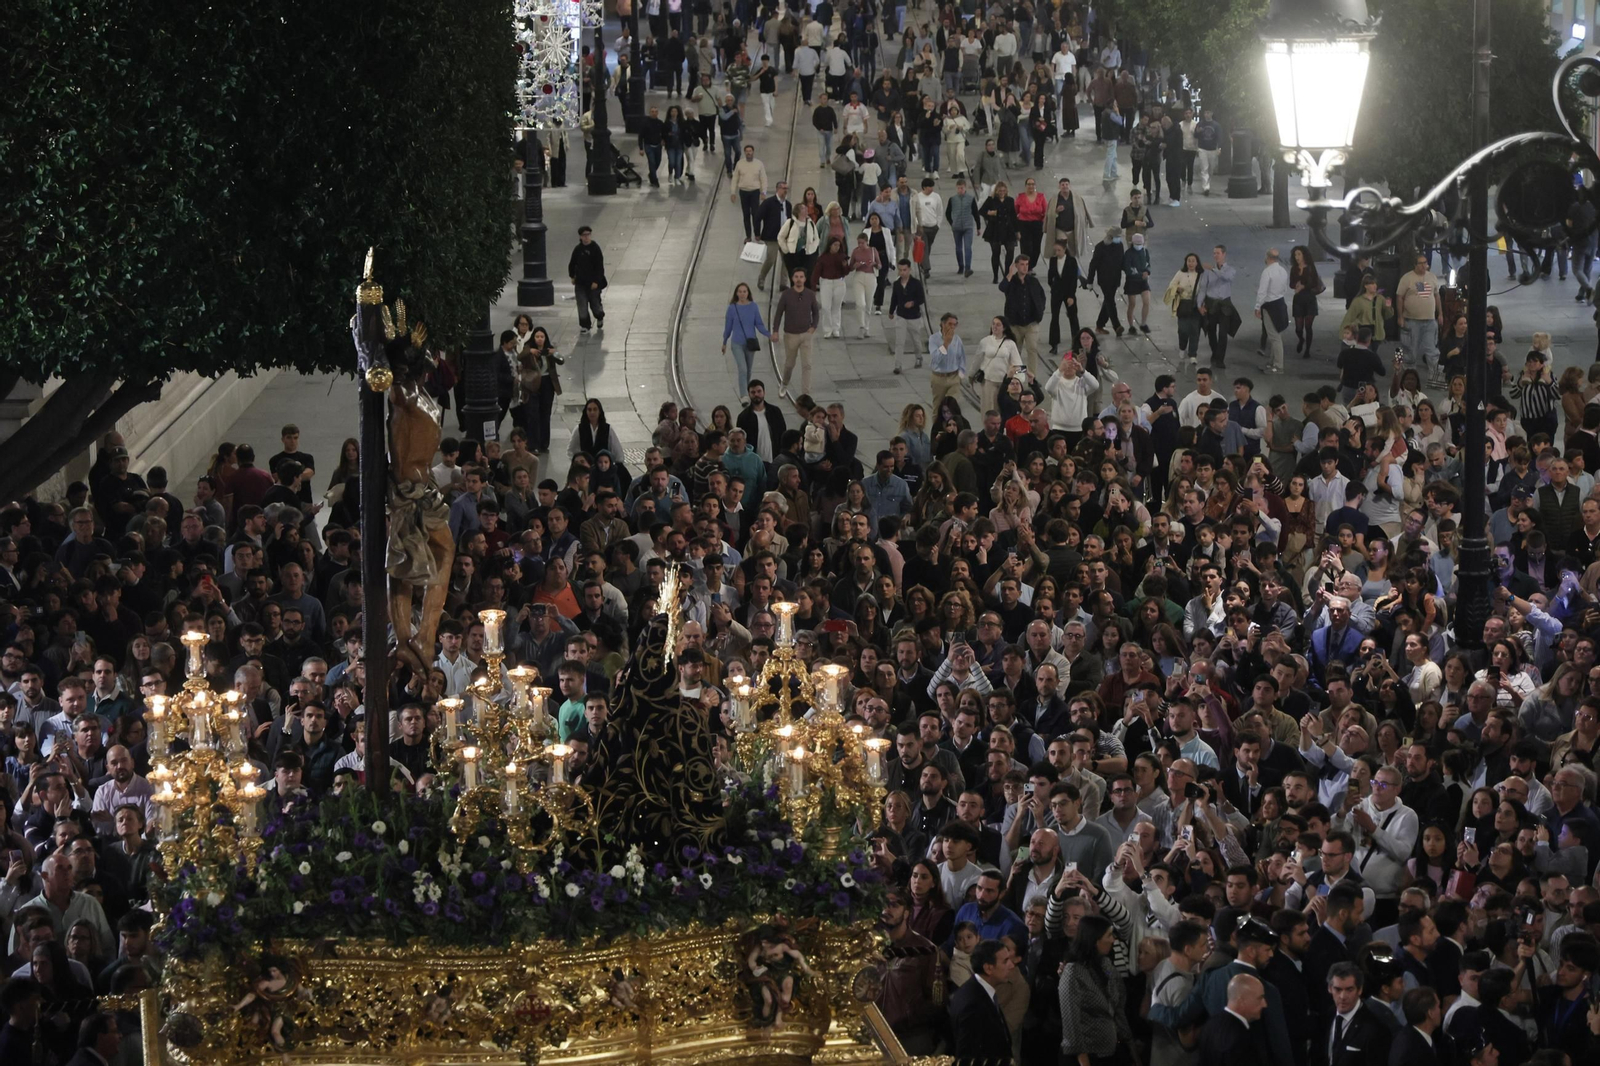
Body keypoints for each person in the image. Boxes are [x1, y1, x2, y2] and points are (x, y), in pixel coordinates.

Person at [948, 938, 1016, 1062]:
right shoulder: (972, 1005)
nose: (1011, 965)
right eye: (1005, 961)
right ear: (988, 968)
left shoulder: (976, 990)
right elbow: (967, 1058)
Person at [568, 226, 607, 335]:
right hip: (580, 282)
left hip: (593, 283)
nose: (586, 237)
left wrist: (596, 281)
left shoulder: (595, 248)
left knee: (595, 303)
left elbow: (599, 267)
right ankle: (585, 324)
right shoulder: (578, 249)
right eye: (584, 235)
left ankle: (599, 316)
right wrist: (572, 276)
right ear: (580, 236)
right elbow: (572, 264)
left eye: (588, 234)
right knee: (582, 304)